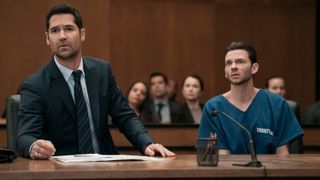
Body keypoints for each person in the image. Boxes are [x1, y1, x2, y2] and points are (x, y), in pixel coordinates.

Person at [16, 4, 175, 160]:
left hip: (105, 167)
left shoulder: (101, 72)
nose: (62, 36)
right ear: (47, 39)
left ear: (82, 34)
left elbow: (125, 116)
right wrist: (34, 146)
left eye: (69, 29)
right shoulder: (35, 85)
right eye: (55, 30)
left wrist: (147, 143)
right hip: (62, 171)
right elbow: (24, 136)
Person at [198, 41, 303, 155]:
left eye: (240, 62)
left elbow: (282, 154)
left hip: (270, 171)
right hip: (230, 171)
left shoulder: (276, 104)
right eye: (229, 63)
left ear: (254, 68)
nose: (233, 67)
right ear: (225, 72)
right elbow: (223, 158)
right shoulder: (214, 108)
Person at [265, 76, 303, 153]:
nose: (279, 91)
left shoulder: (289, 108)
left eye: (282, 88)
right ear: (266, 90)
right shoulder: (261, 109)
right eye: (274, 88)